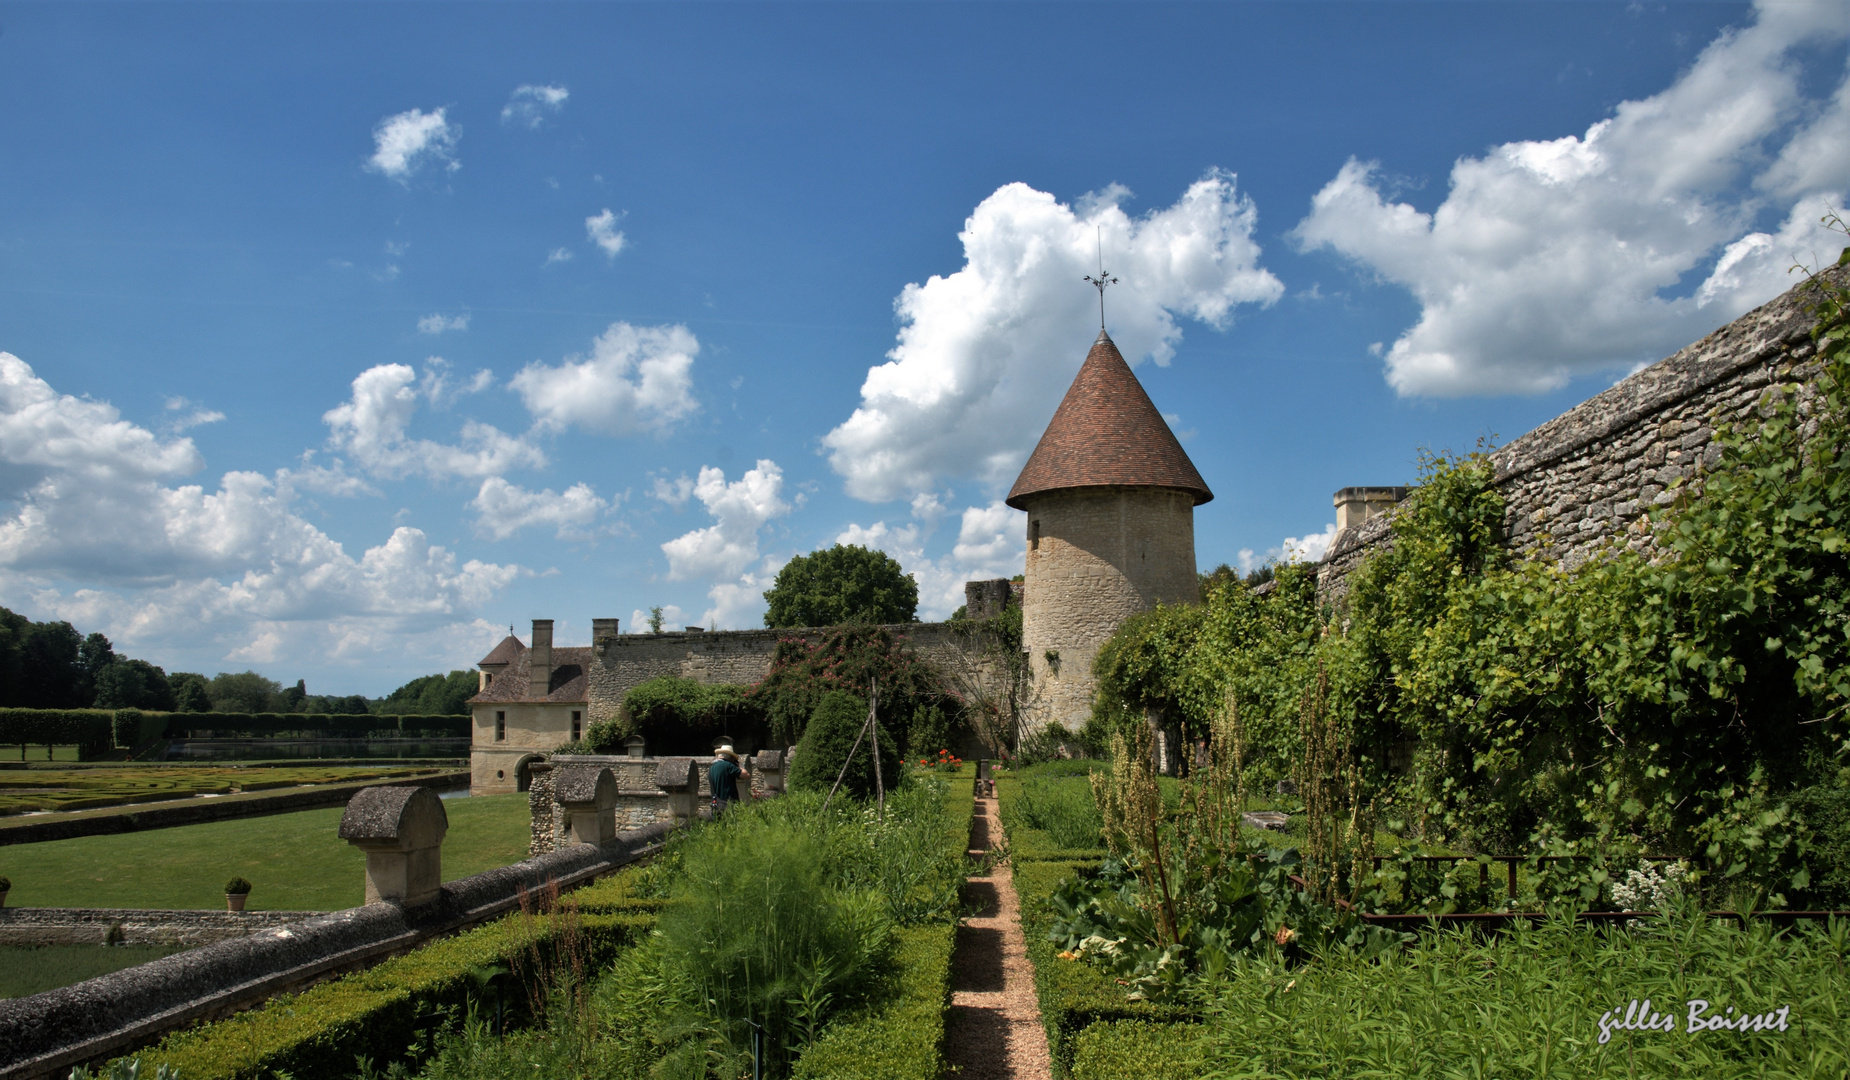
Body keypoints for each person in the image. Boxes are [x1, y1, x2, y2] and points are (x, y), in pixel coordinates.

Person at [708, 746, 750, 816]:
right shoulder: (728, 765)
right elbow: (746, 775)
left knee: (719, 825)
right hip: (728, 804)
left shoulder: (711, 768)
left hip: (715, 804)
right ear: (730, 757)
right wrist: (738, 766)